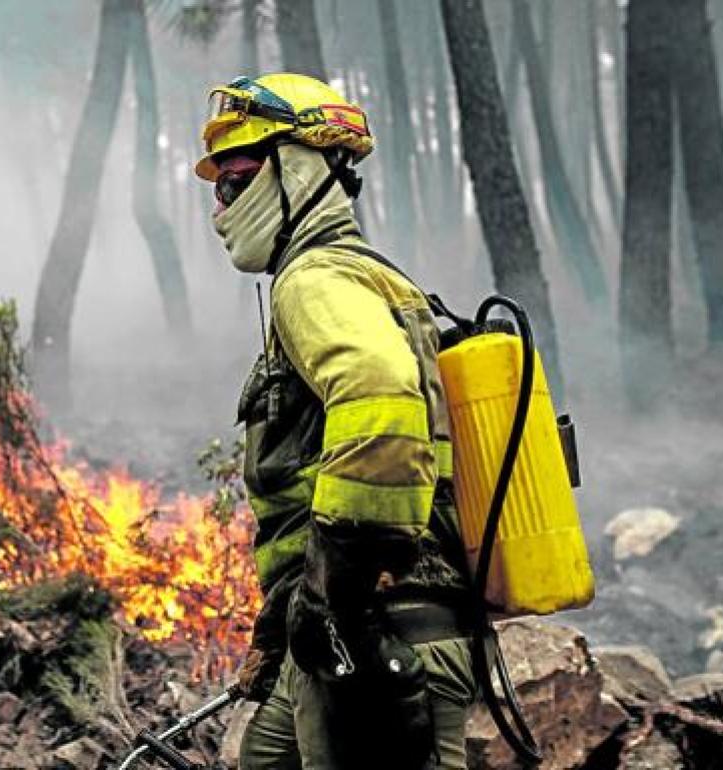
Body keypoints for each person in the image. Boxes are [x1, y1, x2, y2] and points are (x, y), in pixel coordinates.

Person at [196, 73, 478, 769]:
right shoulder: (361, 276)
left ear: (299, 168)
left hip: (376, 636)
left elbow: (379, 405)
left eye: (236, 179)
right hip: (336, 640)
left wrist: (332, 597)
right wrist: (283, 626)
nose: (223, 203)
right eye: (217, 186)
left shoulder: (314, 279)